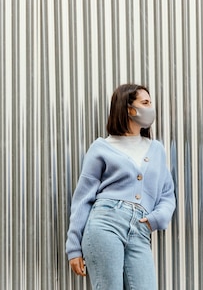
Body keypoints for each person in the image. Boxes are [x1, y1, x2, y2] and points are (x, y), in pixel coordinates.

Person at [66, 83, 176, 289]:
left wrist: (155, 220)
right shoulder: (101, 147)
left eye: (150, 103)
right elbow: (82, 198)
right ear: (128, 108)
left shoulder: (156, 149)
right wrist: (74, 247)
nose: (151, 108)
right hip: (105, 223)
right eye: (145, 103)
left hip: (140, 230)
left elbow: (167, 194)